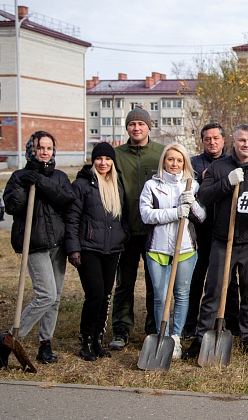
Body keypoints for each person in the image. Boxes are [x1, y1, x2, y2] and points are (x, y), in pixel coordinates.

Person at [184, 124, 248, 357]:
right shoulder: (219, 166)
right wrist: (227, 182)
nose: (246, 144)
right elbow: (204, 196)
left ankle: (246, 337)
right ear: (233, 141)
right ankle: (200, 337)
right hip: (222, 240)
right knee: (213, 291)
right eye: (241, 140)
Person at [2, 131, 75, 363]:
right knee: (46, 295)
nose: (45, 152)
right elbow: (13, 207)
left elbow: (65, 200)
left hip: (57, 245)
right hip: (33, 244)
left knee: (55, 298)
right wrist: (26, 182)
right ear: (31, 150)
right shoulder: (18, 176)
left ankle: (45, 344)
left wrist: (42, 181)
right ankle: (10, 338)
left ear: (54, 150)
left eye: (49, 148)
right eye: (40, 148)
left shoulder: (60, 177)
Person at [139, 143, 206, 359]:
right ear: (164, 161)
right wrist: (175, 212)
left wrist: (192, 203)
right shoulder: (152, 185)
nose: (174, 164)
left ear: (185, 162)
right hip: (157, 249)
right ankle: (163, 335)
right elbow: (146, 215)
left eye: (179, 160)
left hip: (185, 249)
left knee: (182, 294)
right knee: (160, 296)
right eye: (170, 159)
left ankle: (176, 337)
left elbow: (202, 217)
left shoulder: (192, 186)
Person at [65, 142, 128, 361]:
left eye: (108, 159)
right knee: (95, 294)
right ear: (94, 161)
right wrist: (73, 248)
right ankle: (86, 341)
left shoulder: (117, 184)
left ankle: (98, 340)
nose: (103, 163)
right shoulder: (82, 185)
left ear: (112, 162)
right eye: (99, 159)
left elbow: (124, 216)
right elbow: (72, 218)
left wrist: (123, 235)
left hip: (112, 249)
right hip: (89, 247)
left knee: (106, 296)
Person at [109, 107, 164, 350]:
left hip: (155, 231)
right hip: (126, 229)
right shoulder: (116, 155)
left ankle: (153, 329)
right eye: (132, 124)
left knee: (155, 283)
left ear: (149, 127)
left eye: (141, 124)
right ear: (127, 128)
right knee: (124, 283)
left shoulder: (161, 153)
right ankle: (121, 328)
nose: (136, 128)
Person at [184, 122, 229, 339]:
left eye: (216, 138)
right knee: (196, 277)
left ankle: (228, 321)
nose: (212, 142)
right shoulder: (193, 163)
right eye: (207, 139)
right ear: (202, 141)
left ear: (223, 140)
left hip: (225, 229)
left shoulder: (231, 162)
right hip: (200, 228)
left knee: (227, 279)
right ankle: (190, 323)